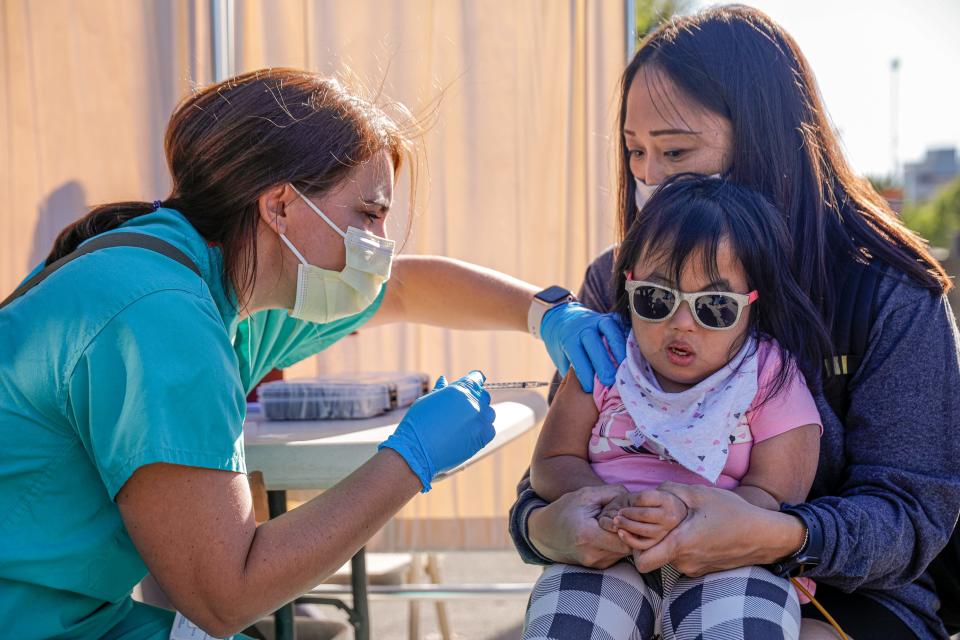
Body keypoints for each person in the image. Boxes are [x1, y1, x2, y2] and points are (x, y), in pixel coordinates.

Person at [0, 68, 625, 639]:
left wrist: (549, 314)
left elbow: (404, 287)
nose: (379, 244)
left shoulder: (212, 284)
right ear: (279, 205)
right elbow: (227, 594)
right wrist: (411, 460)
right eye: (370, 213)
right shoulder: (164, 318)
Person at [509, 6, 960, 640]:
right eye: (635, 152)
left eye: (675, 150)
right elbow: (552, 472)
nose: (649, 177)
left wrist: (775, 531)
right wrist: (543, 528)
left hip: (837, 596)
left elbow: (913, 515)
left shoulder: (888, 292)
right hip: (624, 575)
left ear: (765, 138)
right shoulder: (617, 280)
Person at [527, 176, 828, 639]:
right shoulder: (607, 360)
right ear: (627, 287)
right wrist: (608, 504)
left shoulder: (768, 376)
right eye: (656, 298)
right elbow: (550, 463)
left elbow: (777, 497)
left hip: (728, 560)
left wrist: (692, 518)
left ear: (753, 305)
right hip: (604, 552)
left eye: (714, 307)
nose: (681, 323)